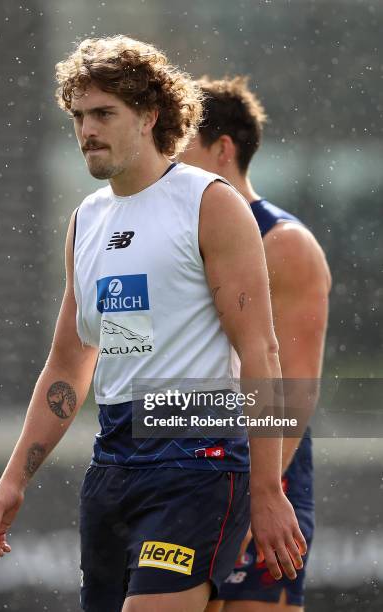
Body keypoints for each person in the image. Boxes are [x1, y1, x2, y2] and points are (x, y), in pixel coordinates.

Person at [0, 37, 306, 612]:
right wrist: (14, 479)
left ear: (151, 115)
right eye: (78, 116)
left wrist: (268, 491)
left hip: (198, 463)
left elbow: (261, 353)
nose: (86, 131)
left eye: (104, 114)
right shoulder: (87, 219)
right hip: (113, 464)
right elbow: (70, 362)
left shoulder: (209, 202)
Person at [180, 76, 331, 611]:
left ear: (224, 150)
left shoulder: (283, 243)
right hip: (188, 470)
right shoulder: (174, 239)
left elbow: (292, 392)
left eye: (181, 146)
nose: (167, 163)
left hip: (262, 477)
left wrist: (256, 499)